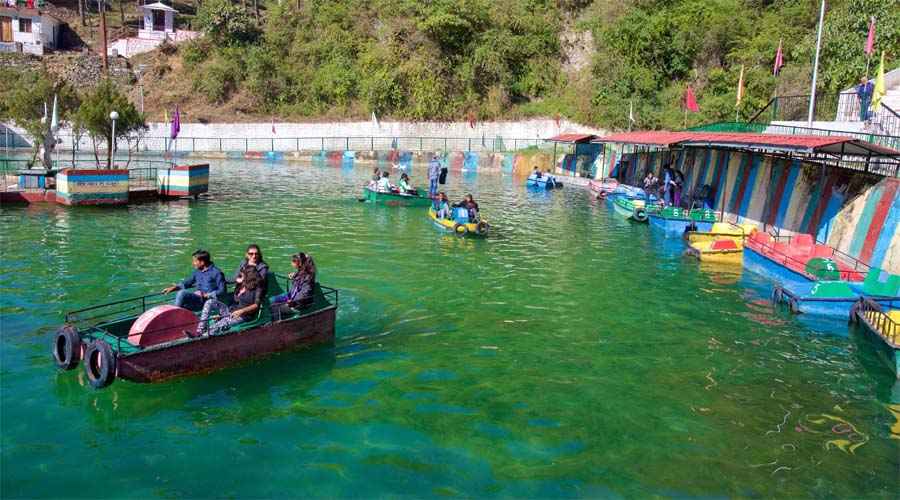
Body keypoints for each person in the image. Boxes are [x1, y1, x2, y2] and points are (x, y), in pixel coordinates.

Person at [191, 267, 265, 337]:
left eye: (242, 275)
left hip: (243, 315)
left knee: (217, 326)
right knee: (210, 302)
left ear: (249, 276)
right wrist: (220, 314)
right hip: (231, 311)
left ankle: (202, 338)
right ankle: (200, 331)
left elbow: (256, 305)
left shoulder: (258, 288)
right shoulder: (241, 286)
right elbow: (234, 301)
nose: (240, 277)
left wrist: (242, 311)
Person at [162, 249, 227, 311]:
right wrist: (175, 287)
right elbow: (188, 282)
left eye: (195, 261)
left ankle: (173, 315)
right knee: (176, 303)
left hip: (209, 302)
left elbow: (222, 291)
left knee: (182, 293)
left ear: (202, 262)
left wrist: (207, 295)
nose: (193, 263)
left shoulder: (217, 273)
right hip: (198, 300)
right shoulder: (197, 271)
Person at [272, 252, 317, 320]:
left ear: (300, 263)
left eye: (293, 261)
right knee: (272, 300)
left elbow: (305, 294)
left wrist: (293, 302)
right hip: (291, 296)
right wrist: (294, 276)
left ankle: (277, 323)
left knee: (274, 307)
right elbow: (299, 278)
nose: (291, 263)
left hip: (299, 305)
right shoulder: (300, 272)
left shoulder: (308, 277)